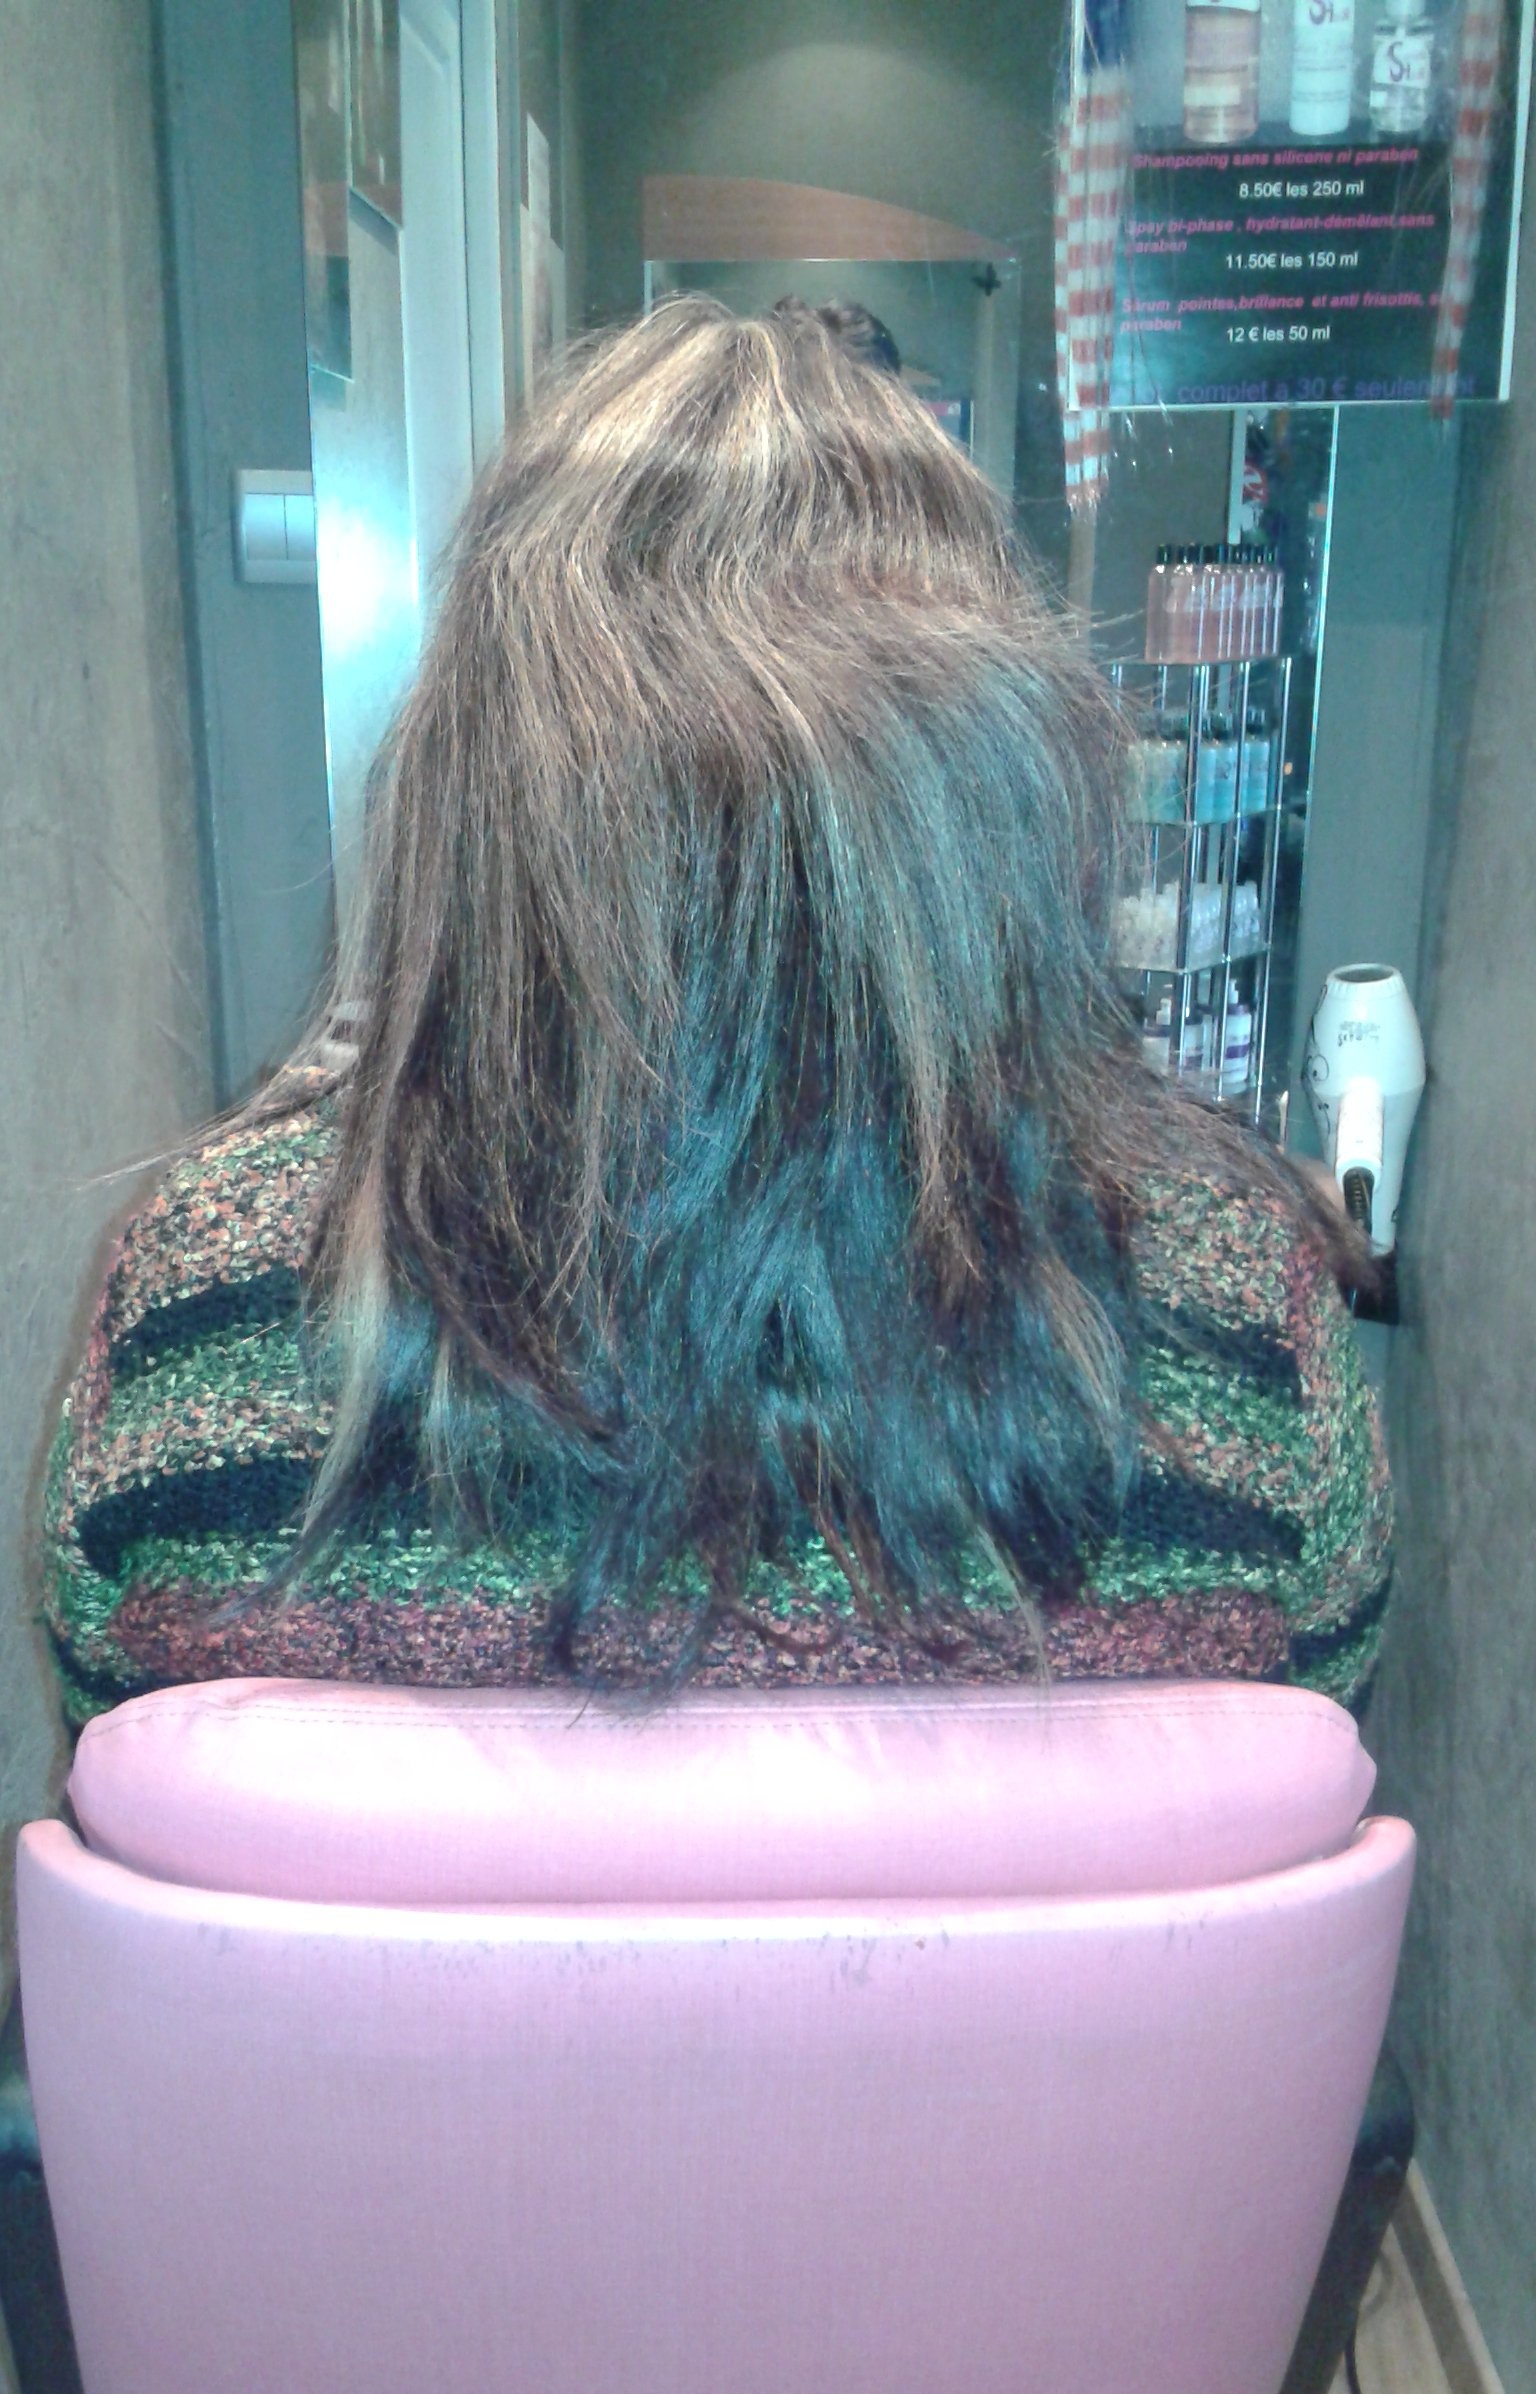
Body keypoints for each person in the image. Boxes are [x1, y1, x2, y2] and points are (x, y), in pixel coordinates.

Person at [40, 296, 1389, 1723]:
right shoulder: (1243, 1318)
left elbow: (110, 1741)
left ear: (469, 779)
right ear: (998, 791)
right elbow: (1329, 1730)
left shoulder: (195, 1302)